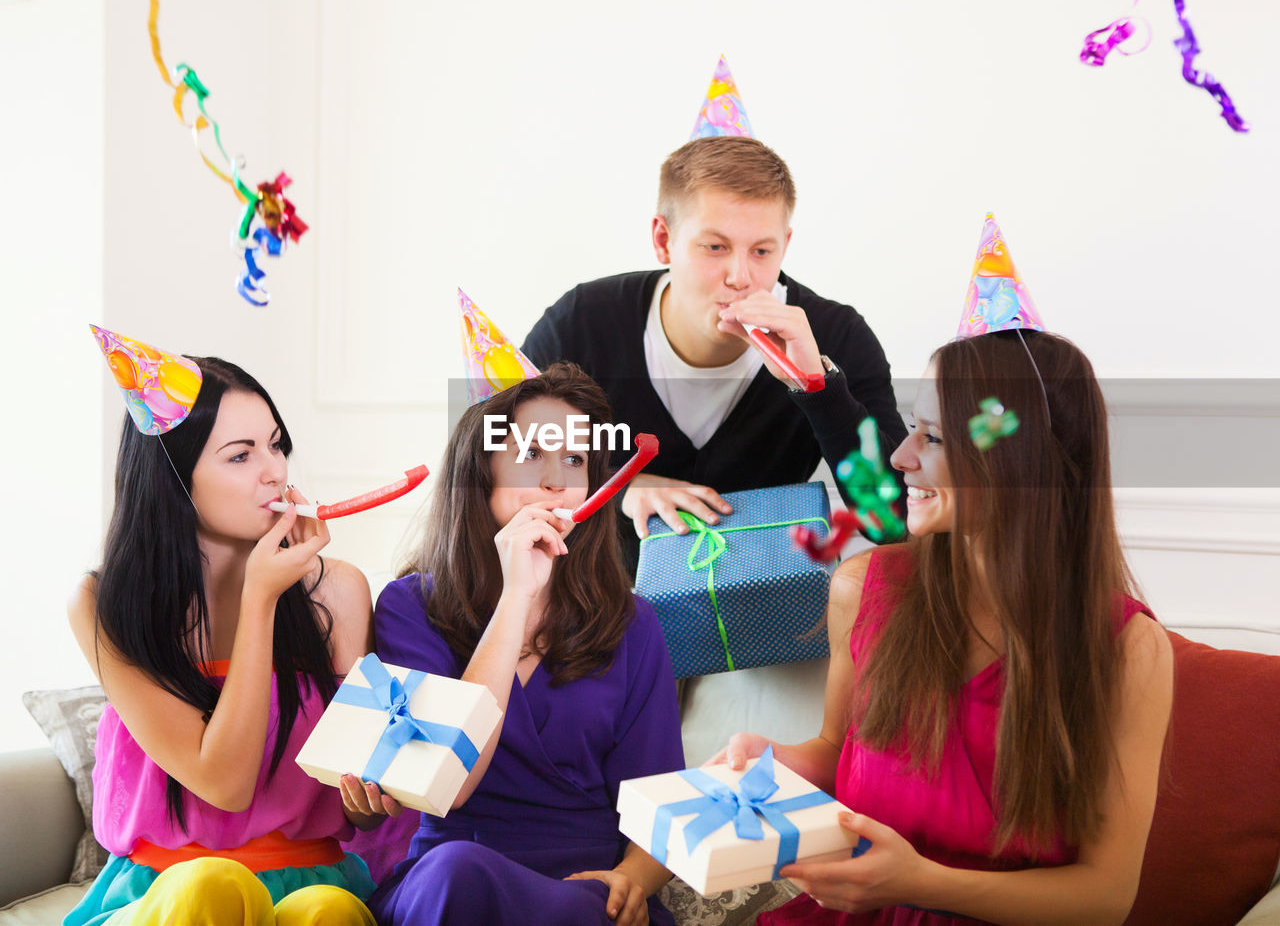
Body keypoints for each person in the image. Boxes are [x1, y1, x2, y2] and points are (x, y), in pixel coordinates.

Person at [713, 330, 1175, 924]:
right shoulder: (864, 588)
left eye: (931, 437)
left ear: (1020, 457)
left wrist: (922, 884)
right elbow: (836, 751)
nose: (901, 457)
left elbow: (1105, 897)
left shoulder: (1130, 650)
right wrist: (771, 761)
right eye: (913, 428)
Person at [67, 344, 398, 926]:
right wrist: (260, 600)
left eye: (276, 445)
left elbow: (364, 809)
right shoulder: (103, 603)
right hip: (169, 894)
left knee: (331, 912)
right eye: (241, 455)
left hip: (311, 881)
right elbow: (223, 782)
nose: (275, 470)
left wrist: (376, 795)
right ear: (174, 476)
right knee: (209, 887)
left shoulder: (340, 592)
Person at [369, 363, 684, 926]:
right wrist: (516, 598)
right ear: (478, 468)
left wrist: (633, 880)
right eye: (530, 455)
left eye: (574, 461)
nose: (555, 481)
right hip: (453, 877)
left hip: (584, 889)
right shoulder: (408, 606)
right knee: (456, 872)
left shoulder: (633, 623)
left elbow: (659, 805)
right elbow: (449, 784)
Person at [521, 134, 907, 572]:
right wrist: (621, 489)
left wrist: (818, 388)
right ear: (664, 240)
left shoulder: (838, 336)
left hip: (767, 606)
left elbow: (893, 522)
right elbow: (497, 476)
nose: (741, 277)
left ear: (786, 243)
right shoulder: (582, 323)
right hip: (598, 606)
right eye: (715, 247)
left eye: (762, 251)